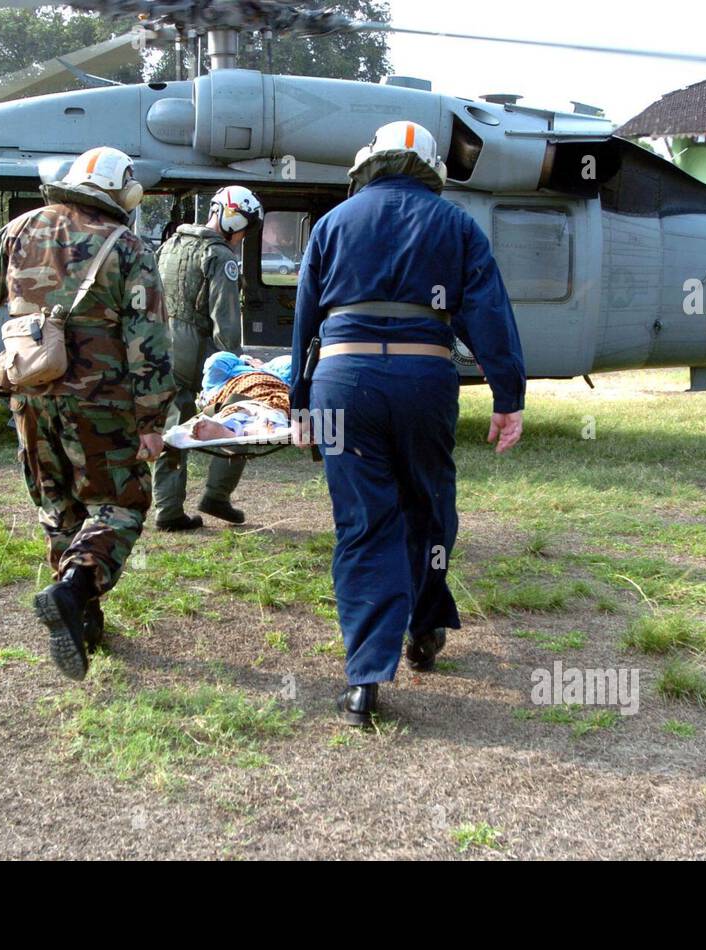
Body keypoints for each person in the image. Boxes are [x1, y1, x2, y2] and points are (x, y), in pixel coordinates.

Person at [289, 120, 527, 726]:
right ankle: (425, 627)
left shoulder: (332, 225)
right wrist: (508, 394)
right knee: (429, 507)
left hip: (339, 388)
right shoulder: (457, 225)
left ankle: (364, 677)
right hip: (425, 383)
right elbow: (489, 312)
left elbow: (304, 319)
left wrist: (298, 403)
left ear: (370, 163)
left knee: (362, 523)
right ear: (430, 170)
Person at [0, 146, 174, 681]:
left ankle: (84, 622)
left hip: (28, 393)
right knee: (121, 503)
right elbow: (147, 341)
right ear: (124, 193)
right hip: (101, 402)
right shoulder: (127, 247)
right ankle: (73, 589)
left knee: (58, 505)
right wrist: (152, 421)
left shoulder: (20, 230)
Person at [152, 185, 264, 530]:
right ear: (233, 218)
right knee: (239, 414)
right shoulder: (221, 257)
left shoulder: (170, 244)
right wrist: (235, 366)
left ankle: (168, 509)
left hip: (161, 345)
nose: (244, 236)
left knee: (171, 427)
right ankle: (217, 495)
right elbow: (226, 323)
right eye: (245, 227)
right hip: (196, 350)